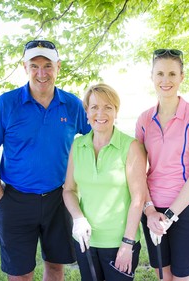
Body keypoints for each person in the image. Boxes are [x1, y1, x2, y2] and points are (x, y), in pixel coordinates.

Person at [0, 40, 91, 281]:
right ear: (25, 67)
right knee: (20, 274)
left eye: (48, 65)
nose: (42, 73)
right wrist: (0, 199)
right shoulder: (6, 104)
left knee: (55, 267)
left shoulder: (72, 105)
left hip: (59, 199)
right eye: (35, 65)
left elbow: (93, 141)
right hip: (15, 202)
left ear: (58, 67)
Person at [135, 49, 189, 281]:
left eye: (171, 74)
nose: (165, 80)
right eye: (159, 74)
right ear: (152, 76)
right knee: (163, 277)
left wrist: (169, 216)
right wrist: (149, 211)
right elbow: (138, 172)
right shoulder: (144, 119)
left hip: (187, 210)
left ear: (181, 77)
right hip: (153, 211)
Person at [63, 83, 147, 281]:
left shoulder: (130, 146)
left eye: (108, 107)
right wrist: (78, 218)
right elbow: (69, 190)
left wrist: (127, 243)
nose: (100, 113)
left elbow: (138, 197)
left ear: (116, 112)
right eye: (94, 107)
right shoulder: (78, 145)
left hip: (119, 243)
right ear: (86, 112)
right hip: (86, 242)